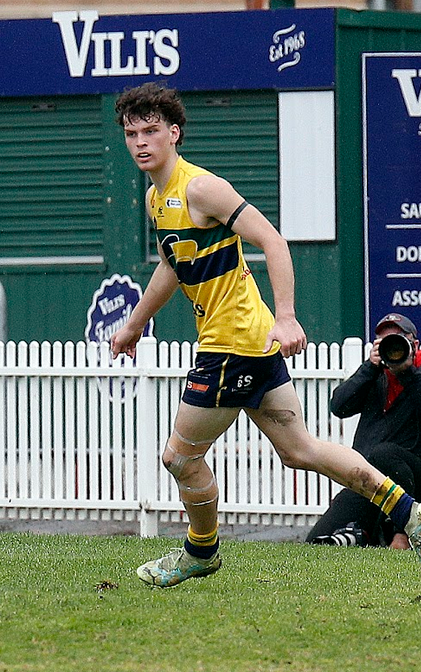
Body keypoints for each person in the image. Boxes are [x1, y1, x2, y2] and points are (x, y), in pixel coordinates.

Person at [108, 82, 421, 587]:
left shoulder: (200, 189)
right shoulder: (156, 198)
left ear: (174, 133)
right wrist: (136, 323)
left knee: (179, 457)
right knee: (300, 450)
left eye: (151, 131)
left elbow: (272, 240)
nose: (141, 142)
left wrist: (288, 315)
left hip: (232, 345)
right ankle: (409, 513)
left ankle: (200, 552)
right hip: (250, 344)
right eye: (131, 133)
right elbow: (172, 262)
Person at [307, 313, 421, 549]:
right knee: (316, 541)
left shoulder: (417, 379)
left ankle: (404, 535)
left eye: (399, 339)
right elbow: (338, 406)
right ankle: (369, 534)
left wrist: (408, 373)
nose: (393, 347)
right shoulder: (374, 377)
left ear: (415, 344)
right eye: (384, 341)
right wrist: (370, 368)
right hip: (371, 482)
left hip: (414, 481)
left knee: (383, 454)